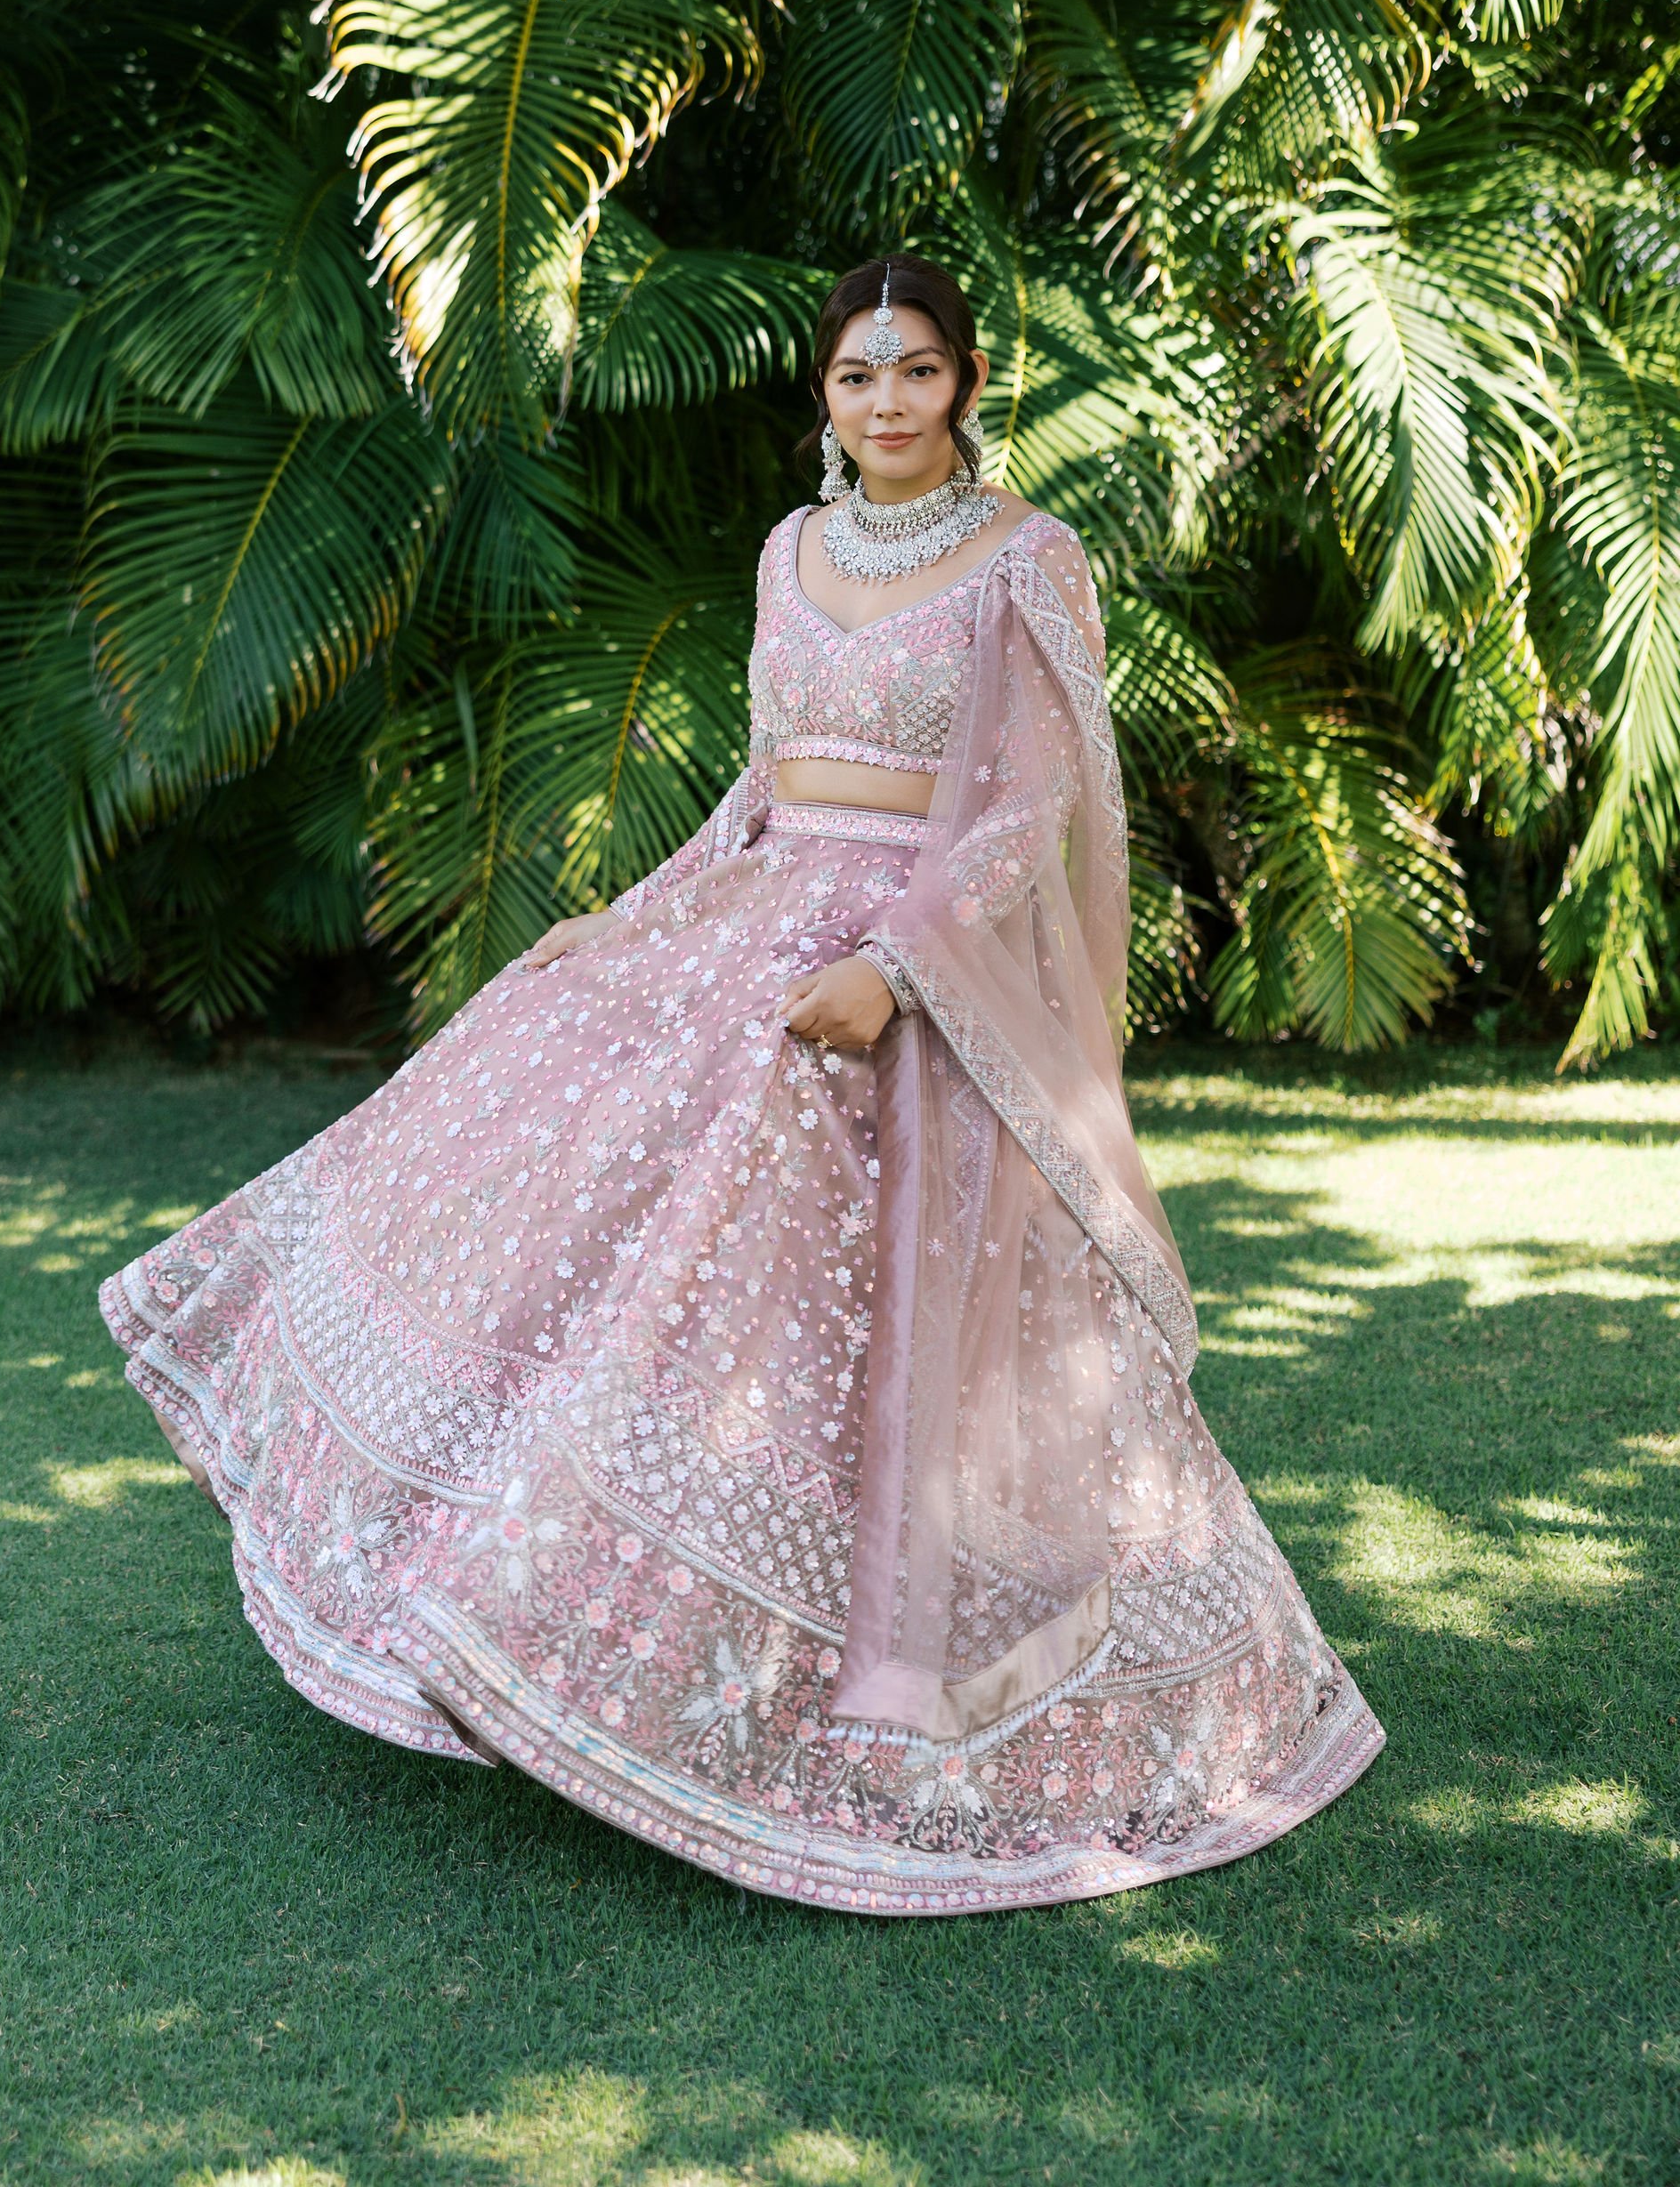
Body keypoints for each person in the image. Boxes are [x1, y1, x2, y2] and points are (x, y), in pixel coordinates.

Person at [101, 254, 1382, 1914]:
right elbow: (764, 784)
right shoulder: (790, 550)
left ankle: (913, 1711)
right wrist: (634, 916)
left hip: (911, 958)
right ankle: (520, 1606)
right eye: (856, 376)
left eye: (916, 371)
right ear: (823, 396)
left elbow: (1028, 810)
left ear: (967, 383)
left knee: (846, 1294)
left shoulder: (1029, 558)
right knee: (576, 1151)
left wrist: (896, 973)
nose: (886, 403)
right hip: (758, 923)